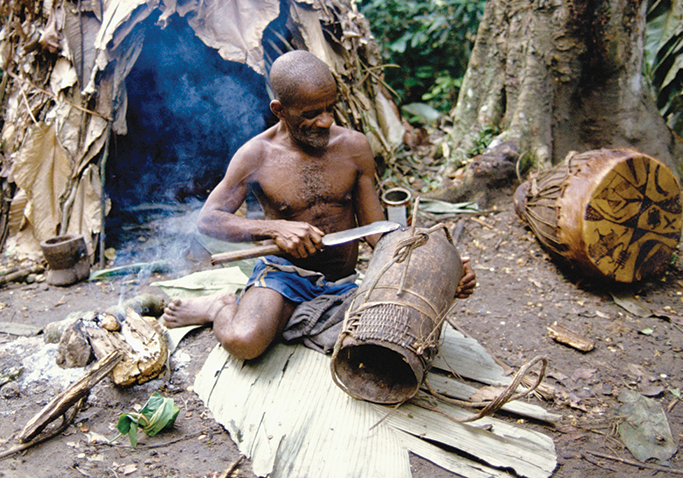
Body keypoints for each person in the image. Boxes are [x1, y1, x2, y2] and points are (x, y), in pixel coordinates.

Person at [163, 50, 475, 359]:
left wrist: (437, 269)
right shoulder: (256, 155)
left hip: (344, 283)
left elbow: (376, 232)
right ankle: (219, 307)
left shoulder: (353, 147)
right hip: (284, 274)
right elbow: (209, 220)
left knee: (395, 340)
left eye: (330, 108)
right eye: (311, 113)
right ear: (280, 110)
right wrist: (275, 227)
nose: (325, 121)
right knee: (244, 341)